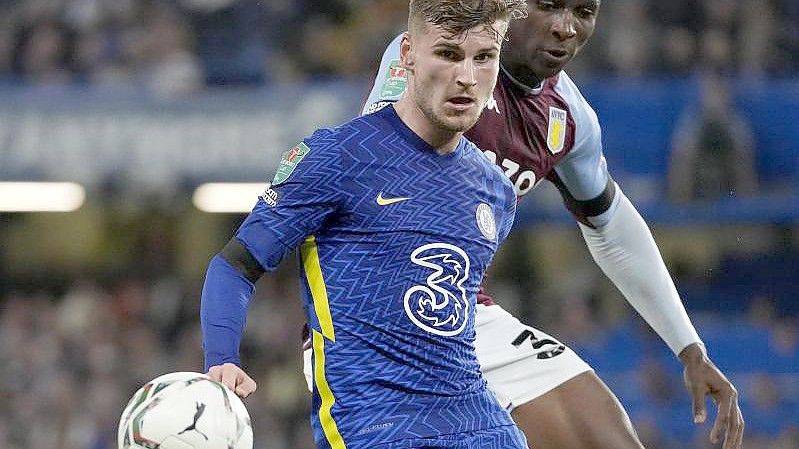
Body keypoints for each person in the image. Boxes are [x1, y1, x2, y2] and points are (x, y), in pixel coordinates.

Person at [303, 1, 745, 449]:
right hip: (373, 324)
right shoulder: (436, 58)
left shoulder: (569, 117)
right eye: (549, 6)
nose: (565, 28)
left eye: (584, 12)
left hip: (466, 314)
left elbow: (612, 229)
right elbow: (372, 167)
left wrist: (689, 348)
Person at [200, 1, 531, 448]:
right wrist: (222, 359)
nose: (467, 77)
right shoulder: (340, 156)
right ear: (409, 54)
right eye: (449, 55)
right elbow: (235, 266)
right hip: (375, 425)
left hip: (477, 420)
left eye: (483, 58)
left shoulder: (495, 189)